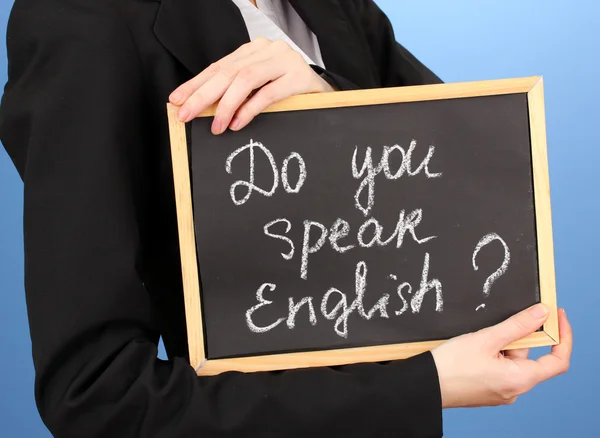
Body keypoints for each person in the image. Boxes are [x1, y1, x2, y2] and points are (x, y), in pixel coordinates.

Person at [0, 0, 571, 437]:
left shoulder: (331, 8)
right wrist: (422, 386)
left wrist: (325, 103)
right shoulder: (77, 23)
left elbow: (468, 182)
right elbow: (96, 397)